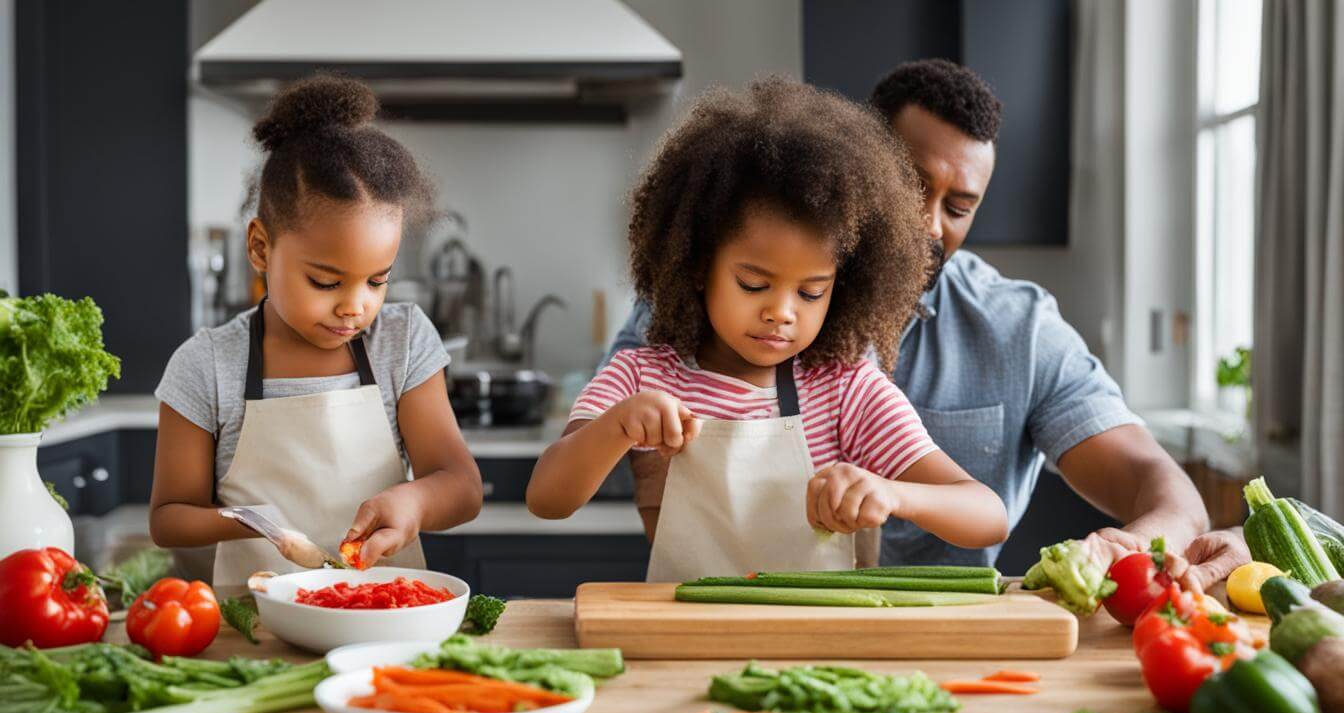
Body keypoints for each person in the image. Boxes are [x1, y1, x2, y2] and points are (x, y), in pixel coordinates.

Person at [609, 60, 1249, 590]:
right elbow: (616, 471)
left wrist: (1126, 544)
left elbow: (1163, 488)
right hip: (741, 616)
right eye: (911, 186)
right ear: (855, 163)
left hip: (955, 643)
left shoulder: (1019, 328)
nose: (928, 226)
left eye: (960, 205)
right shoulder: (703, 304)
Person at [526, 78, 1007, 582]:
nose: (782, 312)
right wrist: (616, 426)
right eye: (754, 284)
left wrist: (894, 493)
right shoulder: (639, 377)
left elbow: (986, 515)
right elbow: (547, 500)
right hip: (688, 644)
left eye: (811, 292)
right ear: (696, 265)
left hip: (818, 647)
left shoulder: (846, 391)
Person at [149, 75, 483, 588]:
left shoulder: (402, 340)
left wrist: (413, 500)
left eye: (378, 280)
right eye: (325, 282)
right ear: (261, 248)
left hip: (382, 609)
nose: (355, 306)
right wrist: (252, 520)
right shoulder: (208, 363)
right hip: (255, 623)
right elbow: (169, 517)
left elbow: (462, 487)